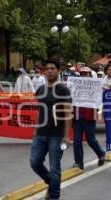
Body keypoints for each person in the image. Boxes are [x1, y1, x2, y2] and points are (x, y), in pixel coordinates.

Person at [30, 60, 72, 200]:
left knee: (54, 168)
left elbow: (67, 113)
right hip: (41, 134)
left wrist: (66, 136)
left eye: (53, 68)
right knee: (35, 162)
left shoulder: (63, 89)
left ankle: (54, 196)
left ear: (58, 70)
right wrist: (36, 130)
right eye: (47, 68)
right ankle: (52, 183)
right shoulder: (41, 89)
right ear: (44, 71)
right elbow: (39, 110)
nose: (49, 71)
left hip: (57, 135)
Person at [72, 67, 105, 170]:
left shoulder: (95, 87)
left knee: (91, 139)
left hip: (89, 117)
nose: (83, 75)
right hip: (77, 117)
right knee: (77, 141)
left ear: (90, 75)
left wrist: (99, 112)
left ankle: (101, 154)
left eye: (85, 74)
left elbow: (99, 101)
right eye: (82, 73)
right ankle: (78, 163)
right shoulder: (75, 86)